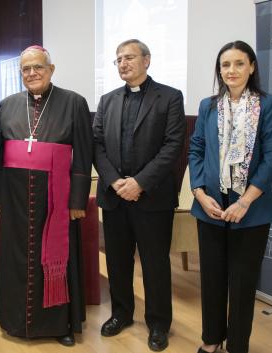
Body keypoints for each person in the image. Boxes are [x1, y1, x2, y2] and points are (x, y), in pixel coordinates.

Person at [0, 45, 93, 346]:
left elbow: (84, 154)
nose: (32, 73)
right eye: (25, 69)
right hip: (15, 198)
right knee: (17, 259)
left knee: (55, 258)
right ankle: (14, 321)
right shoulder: (7, 104)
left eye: (38, 67)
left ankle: (59, 324)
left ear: (51, 69)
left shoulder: (74, 103)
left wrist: (77, 201)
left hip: (56, 200)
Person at [189, 40, 272, 353]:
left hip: (252, 209)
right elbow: (197, 149)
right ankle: (211, 339)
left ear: (252, 67)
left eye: (239, 63)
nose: (232, 70)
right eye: (225, 64)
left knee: (242, 285)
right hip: (211, 207)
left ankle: (237, 346)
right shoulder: (208, 105)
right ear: (219, 69)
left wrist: (246, 200)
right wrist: (199, 193)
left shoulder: (266, 104)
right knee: (212, 279)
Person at [93, 38, 185, 352]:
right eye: (118, 59)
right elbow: (97, 146)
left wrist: (140, 183)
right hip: (115, 196)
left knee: (155, 263)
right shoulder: (106, 100)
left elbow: (173, 146)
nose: (123, 63)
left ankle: (158, 324)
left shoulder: (170, 97)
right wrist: (116, 181)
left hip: (153, 197)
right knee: (118, 262)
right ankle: (121, 314)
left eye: (129, 57)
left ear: (147, 60)